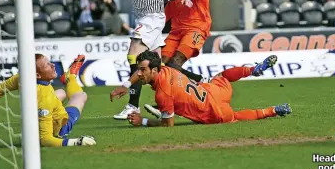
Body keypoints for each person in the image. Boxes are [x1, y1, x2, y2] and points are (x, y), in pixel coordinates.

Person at [86, 0, 193, 120]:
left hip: (153, 17)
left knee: (133, 54)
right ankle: (194, 87)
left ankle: (132, 106)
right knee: (159, 69)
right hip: (142, 17)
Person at [109, 51, 292, 126]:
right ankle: (252, 70)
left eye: (142, 70)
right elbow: (142, 74)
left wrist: (143, 121)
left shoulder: (163, 94)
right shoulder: (166, 68)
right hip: (213, 90)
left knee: (235, 116)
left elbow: (168, 124)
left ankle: (272, 110)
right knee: (222, 76)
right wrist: (126, 85)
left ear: (155, 70)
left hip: (214, 111)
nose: (139, 74)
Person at [0, 54, 96, 147]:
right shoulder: (44, 100)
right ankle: (70, 77)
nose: (53, 65)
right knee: (80, 96)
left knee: (60, 92)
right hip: (59, 126)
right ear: (37, 74)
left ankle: (69, 77)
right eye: (48, 65)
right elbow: (46, 140)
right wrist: (76, 142)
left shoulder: (21, 77)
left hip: (33, 119)